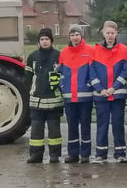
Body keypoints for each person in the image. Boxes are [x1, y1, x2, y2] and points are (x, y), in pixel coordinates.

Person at [89, 21, 127, 163]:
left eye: (112, 33)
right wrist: (101, 89)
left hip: (118, 95)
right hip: (101, 96)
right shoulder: (95, 50)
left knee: (118, 123)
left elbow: (126, 71)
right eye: (108, 33)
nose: (110, 36)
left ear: (116, 33)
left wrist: (114, 87)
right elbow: (91, 72)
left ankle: (120, 154)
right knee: (102, 124)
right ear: (103, 33)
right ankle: (101, 154)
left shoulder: (124, 50)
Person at [25, 28, 63, 163]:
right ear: (39, 41)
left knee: (54, 131)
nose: (44, 41)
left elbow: (63, 76)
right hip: (37, 101)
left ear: (51, 40)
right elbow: (28, 78)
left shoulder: (58, 56)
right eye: (42, 39)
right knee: (36, 131)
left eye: (47, 39)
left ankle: (54, 155)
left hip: (54, 100)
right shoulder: (32, 57)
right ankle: (36, 155)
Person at [59, 25, 94, 164]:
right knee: (71, 125)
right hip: (69, 96)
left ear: (82, 35)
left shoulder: (90, 51)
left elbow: (93, 71)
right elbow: (60, 72)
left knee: (85, 125)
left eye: (77, 34)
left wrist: (89, 85)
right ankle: (73, 154)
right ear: (69, 37)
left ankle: (85, 154)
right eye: (72, 35)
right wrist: (62, 86)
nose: (75, 37)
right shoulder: (64, 52)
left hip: (85, 96)